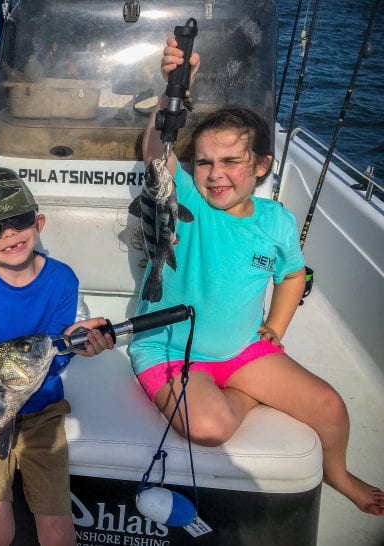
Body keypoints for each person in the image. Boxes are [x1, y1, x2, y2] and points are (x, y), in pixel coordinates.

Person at [128, 38, 384, 516]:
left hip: (243, 348)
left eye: (231, 162)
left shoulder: (276, 222)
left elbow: (292, 276)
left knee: (331, 409)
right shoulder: (189, 204)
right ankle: (242, 397)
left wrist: (276, 329)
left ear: (262, 166)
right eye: (203, 162)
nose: (214, 174)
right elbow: (155, 151)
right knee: (210, 428)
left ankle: (338, 472)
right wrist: (173, 90)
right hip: (167, 350)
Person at [0, 167, 115, 546]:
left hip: (42, 412)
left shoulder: (62, 280)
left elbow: (56, 353)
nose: (8, 233)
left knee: (59, 535)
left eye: (17, 220)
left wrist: (75, 344)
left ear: (37, 222)